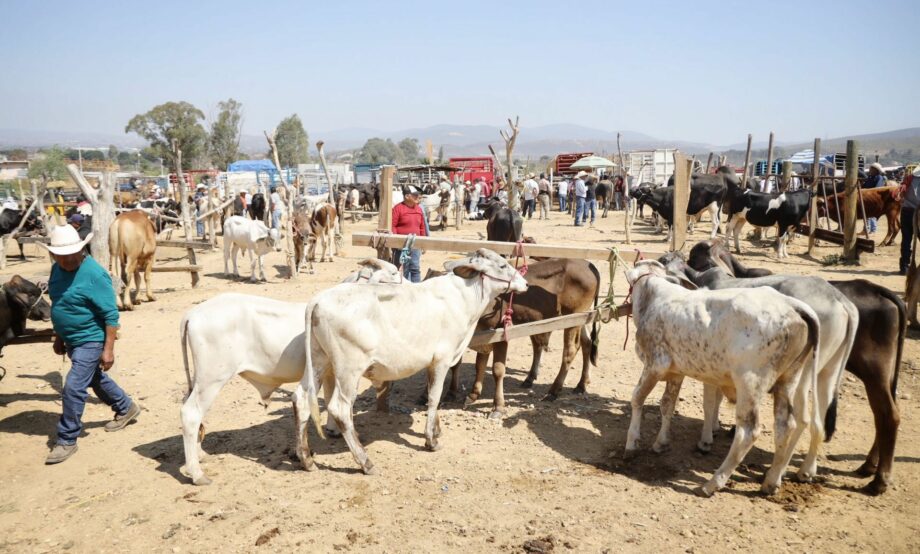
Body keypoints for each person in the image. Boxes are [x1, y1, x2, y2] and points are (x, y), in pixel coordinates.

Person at [39, 225, 140, 464]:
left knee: (74, 386)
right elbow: (59, 303)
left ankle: (67, 439)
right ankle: (126, 407)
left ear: (81, 250)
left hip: (91, 338)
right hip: (72, 339)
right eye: (61, 256)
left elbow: (110, 315)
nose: (67, 260)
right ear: (53, 255)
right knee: (92, 377)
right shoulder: (56, 270)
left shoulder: (94, 274)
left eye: (72, 255)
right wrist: (59, 336)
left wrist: (108, 350)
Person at [391, 186, 428, 282]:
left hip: (416, 244)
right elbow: (393, 226)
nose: (418, 197)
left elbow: (422, 227)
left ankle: (416, 289)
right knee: (401, 268)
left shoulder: (419, 209)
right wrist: (395, 242)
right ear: (407, 196)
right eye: (415, 195)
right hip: (401, 245)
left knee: (415, 268)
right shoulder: (397, 209)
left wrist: (423, 243)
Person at [898, 166, 920, 275]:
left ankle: (904, 267)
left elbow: (900, 194)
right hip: (919, 212)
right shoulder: (909, 178)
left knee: (906, 239)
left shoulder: (909, 178)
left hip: (907, 211)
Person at [864, 162, 886, 234]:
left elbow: (877, 188)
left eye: (871, 169)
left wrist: (868, 192)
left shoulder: (879, 178)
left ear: (876, 170)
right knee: (866, 213)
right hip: (867, 197)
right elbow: (865, 186)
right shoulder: (870, 177)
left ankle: (873, 229)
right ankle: (867, 229)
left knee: (872, 213)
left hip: (874, 198)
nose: (870, 170)